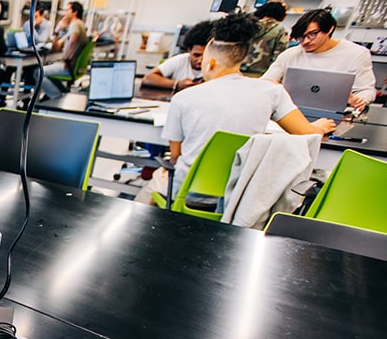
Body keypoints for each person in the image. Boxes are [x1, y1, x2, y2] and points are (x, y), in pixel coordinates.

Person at [135, 14, 335, 205]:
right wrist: (320, 126)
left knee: (152, 185)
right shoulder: (272, 91)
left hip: (188, 194)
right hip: (238, 197)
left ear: (210, 62)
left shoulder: (183, 98)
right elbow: (308, 136)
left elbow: (176, 155)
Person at [261, 8, 376, 111]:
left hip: (335, 115)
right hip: (291, 112)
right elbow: (265, 81)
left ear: (330, 29)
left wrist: (359, 100)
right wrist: (275, 86)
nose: (305, 41)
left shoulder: (356, 54)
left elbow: (367, 90)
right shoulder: (291, 54)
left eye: (312, 34)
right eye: (300, 37)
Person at [141, 20, 215, 92]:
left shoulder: (217, 66)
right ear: (189, 50)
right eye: (196, 55)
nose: (200, 60)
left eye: (205, 56)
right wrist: (177, 84)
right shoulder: (180, 60)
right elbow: (148, 78)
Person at [36, 1, 88, 100]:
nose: (65, 12)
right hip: (75, 67)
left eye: (67, 10)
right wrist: (57, 30)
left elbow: (72, 40)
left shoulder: (75, 24)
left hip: (69, 66)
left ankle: (56, 96)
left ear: (75, 12)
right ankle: (63, 91)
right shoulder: (80, 25)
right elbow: (57, 48)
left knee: (38, 72)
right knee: (47, 73)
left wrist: (67, 60)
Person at [241, 1, 290, 75]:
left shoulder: (246, 26)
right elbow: (279, 57)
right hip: (263, 74)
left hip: (240, 72)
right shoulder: (280, 30)